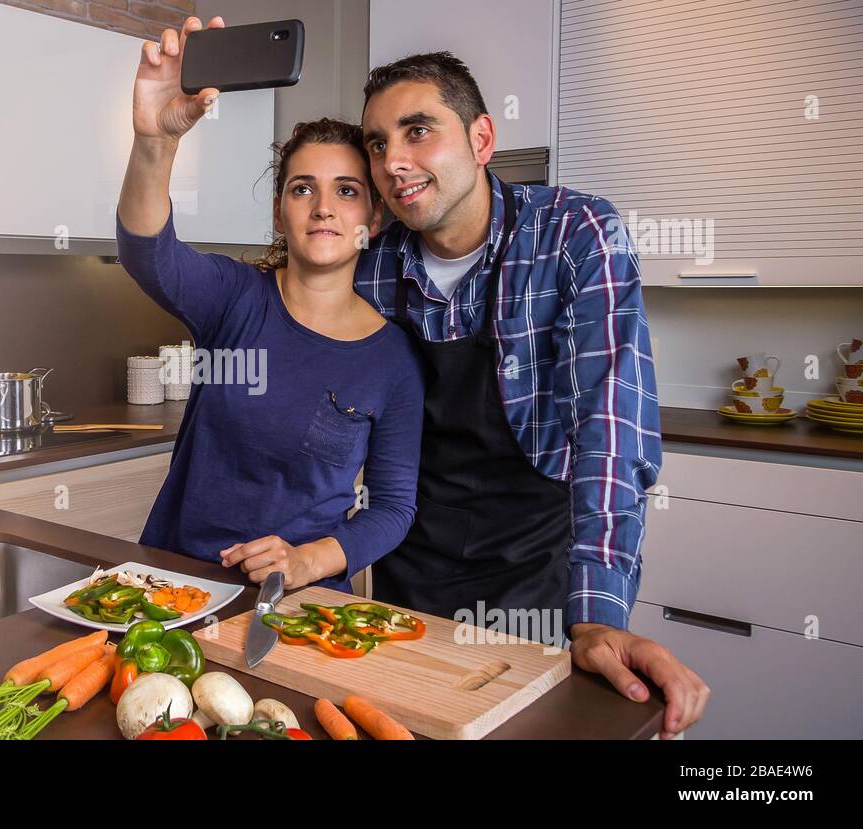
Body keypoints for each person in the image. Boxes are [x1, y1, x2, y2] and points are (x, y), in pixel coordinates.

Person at [353, 49, 709, 737]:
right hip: (410, 565)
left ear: (482, 139)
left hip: (534, 564)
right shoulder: (373, 266)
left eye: (418, 130)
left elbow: (611, 422)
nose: (393, 160)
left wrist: (599, 616)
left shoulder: (575, 236)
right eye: (377, 143)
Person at [115, 17, 425, 592]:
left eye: (347, 191)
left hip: (300, 605)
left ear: (374, 217)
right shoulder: (236, 299)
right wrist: (154, 144)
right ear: (281, 212)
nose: (323, 207)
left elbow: (393, 509)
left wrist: (309, 560)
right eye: (303, 188)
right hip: (178, 588)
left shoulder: (394, 361)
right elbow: (145, 252)